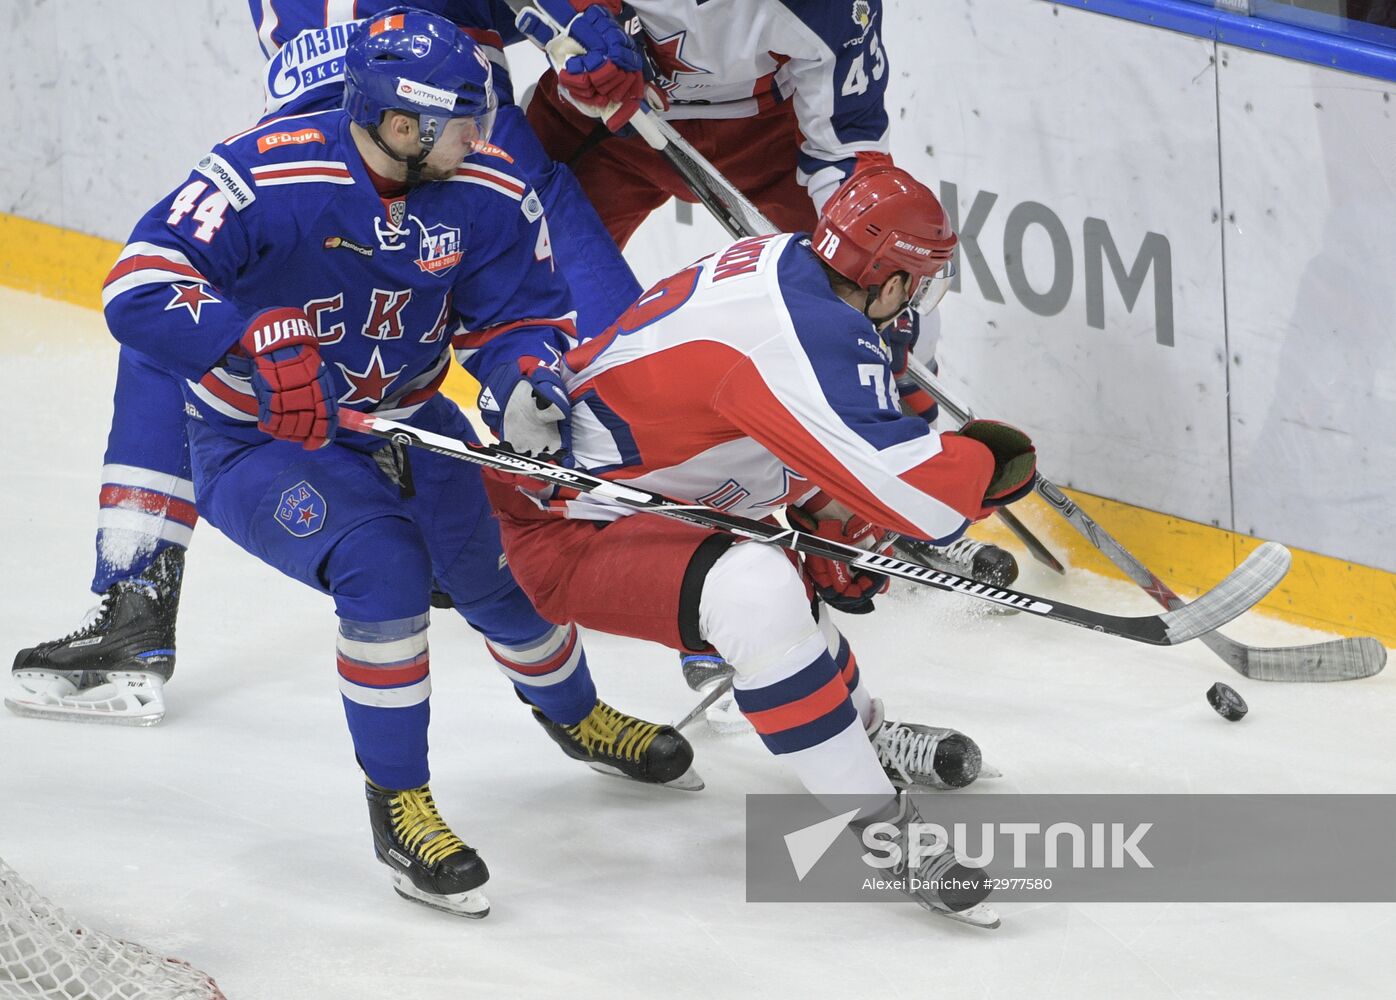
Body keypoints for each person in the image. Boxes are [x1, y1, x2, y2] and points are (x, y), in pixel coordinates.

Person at [92, 10, 698, 917]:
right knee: (384, 569)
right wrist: (243, 334)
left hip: (411, 420)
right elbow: (136, 281)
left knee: (502, 576)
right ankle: (400, 805)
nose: (484, 136)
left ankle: (576, 718)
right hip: (258, 439)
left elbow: (520, 315)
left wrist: (528, 377)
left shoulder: (487, 189)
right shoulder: (265, 170)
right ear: (405, 124)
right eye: (464, 121)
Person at [7, 0, 641, 726]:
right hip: (335, 141)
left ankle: (708, 589)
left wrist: (580, 19)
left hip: (459, 139)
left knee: (589, 371)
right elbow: (150, 289)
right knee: (184, 322)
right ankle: (136, 600)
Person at [479, 165, 1038, 926]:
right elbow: (921, 501)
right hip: (572, 526)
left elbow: (767, 431)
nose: (918, 301)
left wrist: (829, 516)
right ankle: (882, 829)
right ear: (892, 276)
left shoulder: (793, 270)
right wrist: (989, 468)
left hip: (661, 496)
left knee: (778, 573)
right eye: (919, 282)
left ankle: (861, 732)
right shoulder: (802, 332)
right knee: (757, 589)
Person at [512, 0, 1021, 722]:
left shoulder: (827, 9)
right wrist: (569, 22)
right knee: (584, 333)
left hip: (762, 133)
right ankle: (698, 590)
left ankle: (866, 510)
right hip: (603, 121)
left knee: (880, 311)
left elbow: (846, 155)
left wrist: (871, 312)